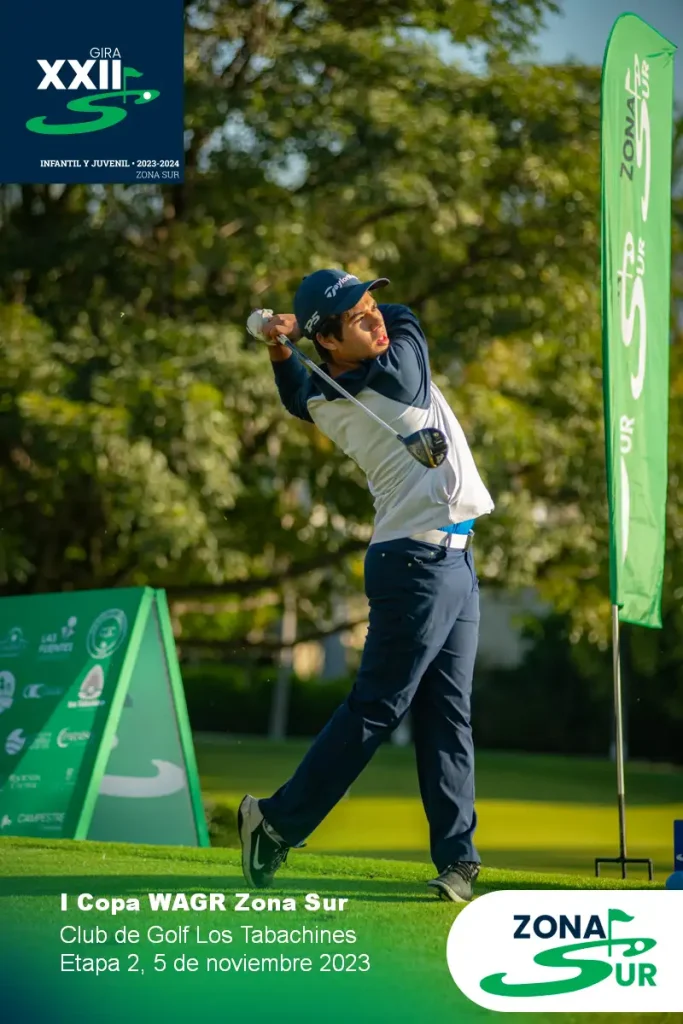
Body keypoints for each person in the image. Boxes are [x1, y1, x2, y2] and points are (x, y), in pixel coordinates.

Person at [239, 268, 494, 902]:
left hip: (450, 561)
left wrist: (279, 345)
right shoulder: (398, 371)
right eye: (359, 317)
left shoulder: (326, 396)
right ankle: (276, 823)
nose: (378, 317)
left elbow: (294, 395)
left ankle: (457, 860)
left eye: (372, 303)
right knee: (378, 707)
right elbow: (409, 317)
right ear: (328, 341)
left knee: (448, 715)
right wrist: (292, 334)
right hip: (418, 565)